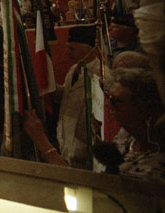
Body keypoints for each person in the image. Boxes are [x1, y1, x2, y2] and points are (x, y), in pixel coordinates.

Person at [24, 66, 165, 185]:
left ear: (146, 109)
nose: (108, 105)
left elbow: (86, 187)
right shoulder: (127, 136)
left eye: (116, 101)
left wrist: (42, 141)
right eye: (108, 97)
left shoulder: (153, 168)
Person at [55, 25, 100, 168]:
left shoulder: (99, 75)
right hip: (66, 138)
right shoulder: (73, 69)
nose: (67, 52)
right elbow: (67, 94)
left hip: (84, 146)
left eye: (72, 49)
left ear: (86, 50)